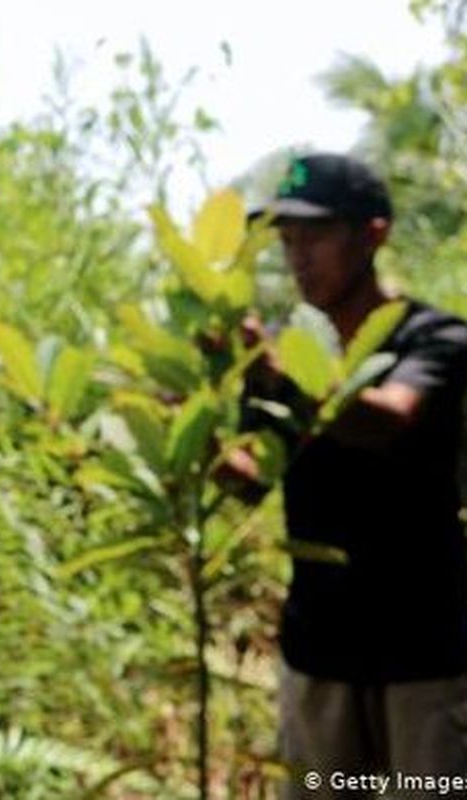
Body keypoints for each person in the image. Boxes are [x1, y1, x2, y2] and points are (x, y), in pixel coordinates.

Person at [234, 153, 467, 797]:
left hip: (423, 660)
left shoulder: (434, 338)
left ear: (373, 234)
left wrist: (277, 371)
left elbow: (386, 418)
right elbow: (253, 477)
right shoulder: (286, 355)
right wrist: (183, 433)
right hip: (320, 658)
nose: (298, 256)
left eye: (316, 236)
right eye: (287, 241)